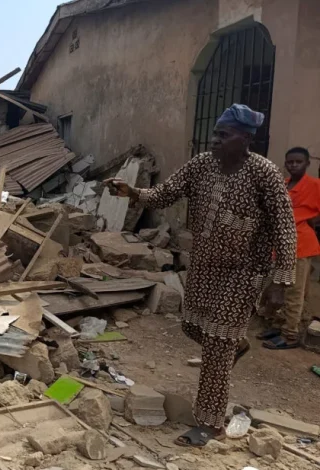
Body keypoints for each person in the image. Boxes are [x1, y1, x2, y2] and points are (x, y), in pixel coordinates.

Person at [105, 104, 296, 448]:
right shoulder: (202, 165)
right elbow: (166, 193)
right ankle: (234, 343)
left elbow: (284, 228)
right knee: (193, 326)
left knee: (215, 347)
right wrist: (132, 192)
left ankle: (210, 424)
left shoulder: (264, 173)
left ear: (246, 138)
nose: (216, 140)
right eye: (216, 134)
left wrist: (281, 282)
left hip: (244, 272)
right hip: (205, 267)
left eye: (224, 135)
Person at [258, 147, 320, 349]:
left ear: (307, 163)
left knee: (294, 292)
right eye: (290, 162)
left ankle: (290, 335)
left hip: (300, 246)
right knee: (282, 289)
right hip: (281, 246)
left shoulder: (314, 185)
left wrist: (311, 222)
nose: (293, 165)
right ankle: (279, 325)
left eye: (298, 162)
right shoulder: (283, 185)